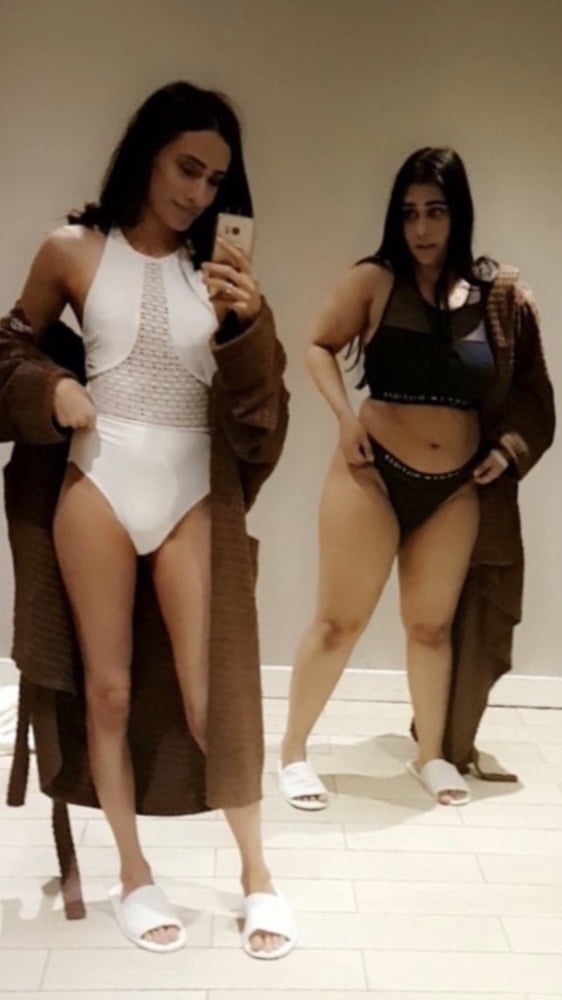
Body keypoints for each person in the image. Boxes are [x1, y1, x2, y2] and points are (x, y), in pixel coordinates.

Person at [0, 80, 296, 959]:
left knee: (214, 697)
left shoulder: (221, 273)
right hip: (97, 481)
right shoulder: (73, 250)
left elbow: (263, 406)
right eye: (185, 167)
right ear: (147, 155)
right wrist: (52, 387)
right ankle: (134, 873)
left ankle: (258, 875)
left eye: (215, 180)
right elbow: (7, 345)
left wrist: (251, 321)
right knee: (109, 690)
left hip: (190, 491)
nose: (198, 192)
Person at [279, 146, 554, 810]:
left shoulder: (495, 296)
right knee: (338, 622)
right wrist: (344, 418)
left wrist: (506, 451)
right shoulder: (374, 280)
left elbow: (531, 394)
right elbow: (317, 343)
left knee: (430, 627)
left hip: (455, 485)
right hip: (371, 473)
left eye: (436, 211)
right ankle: (292, 752)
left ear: (459, 215)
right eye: (408, 214)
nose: (422, 228)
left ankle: (431, 754)